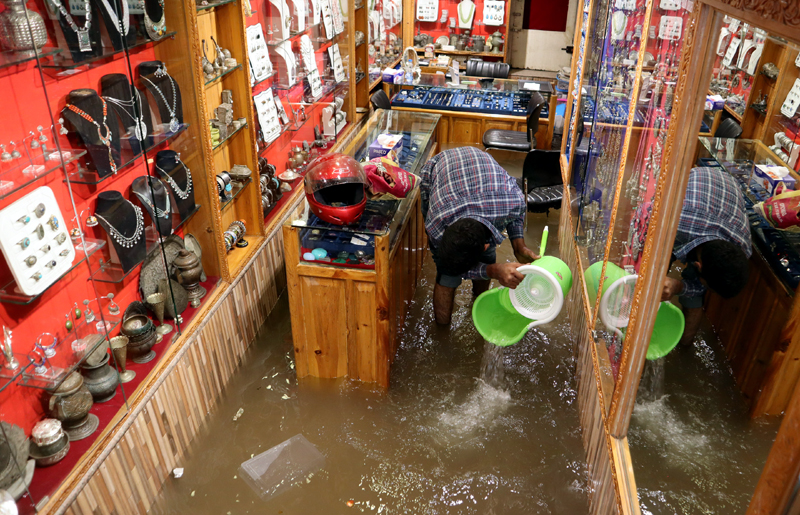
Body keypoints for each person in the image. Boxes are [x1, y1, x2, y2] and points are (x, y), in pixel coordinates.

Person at [420, 147, 538, 325]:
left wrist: (518, 245)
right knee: (447, 271)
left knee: (487, 260)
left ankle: (478, 308)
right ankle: (442, 328)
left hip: (485, 176)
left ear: (485, 245)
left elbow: (516, 213)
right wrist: (494, 270)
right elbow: (445, 261)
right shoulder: (436, 223)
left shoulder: (511, 200)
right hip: (440, 164)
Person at [661, 166, 751, 346]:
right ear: (698, 265)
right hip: (697, 184)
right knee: (660, 271)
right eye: (708, 286)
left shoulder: (743, 248)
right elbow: (673, 255)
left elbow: (697, 285)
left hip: (726, 191)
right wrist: (666, 277)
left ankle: (684, 346)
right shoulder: (677, 222)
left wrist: (677, 285)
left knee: (692, 295)